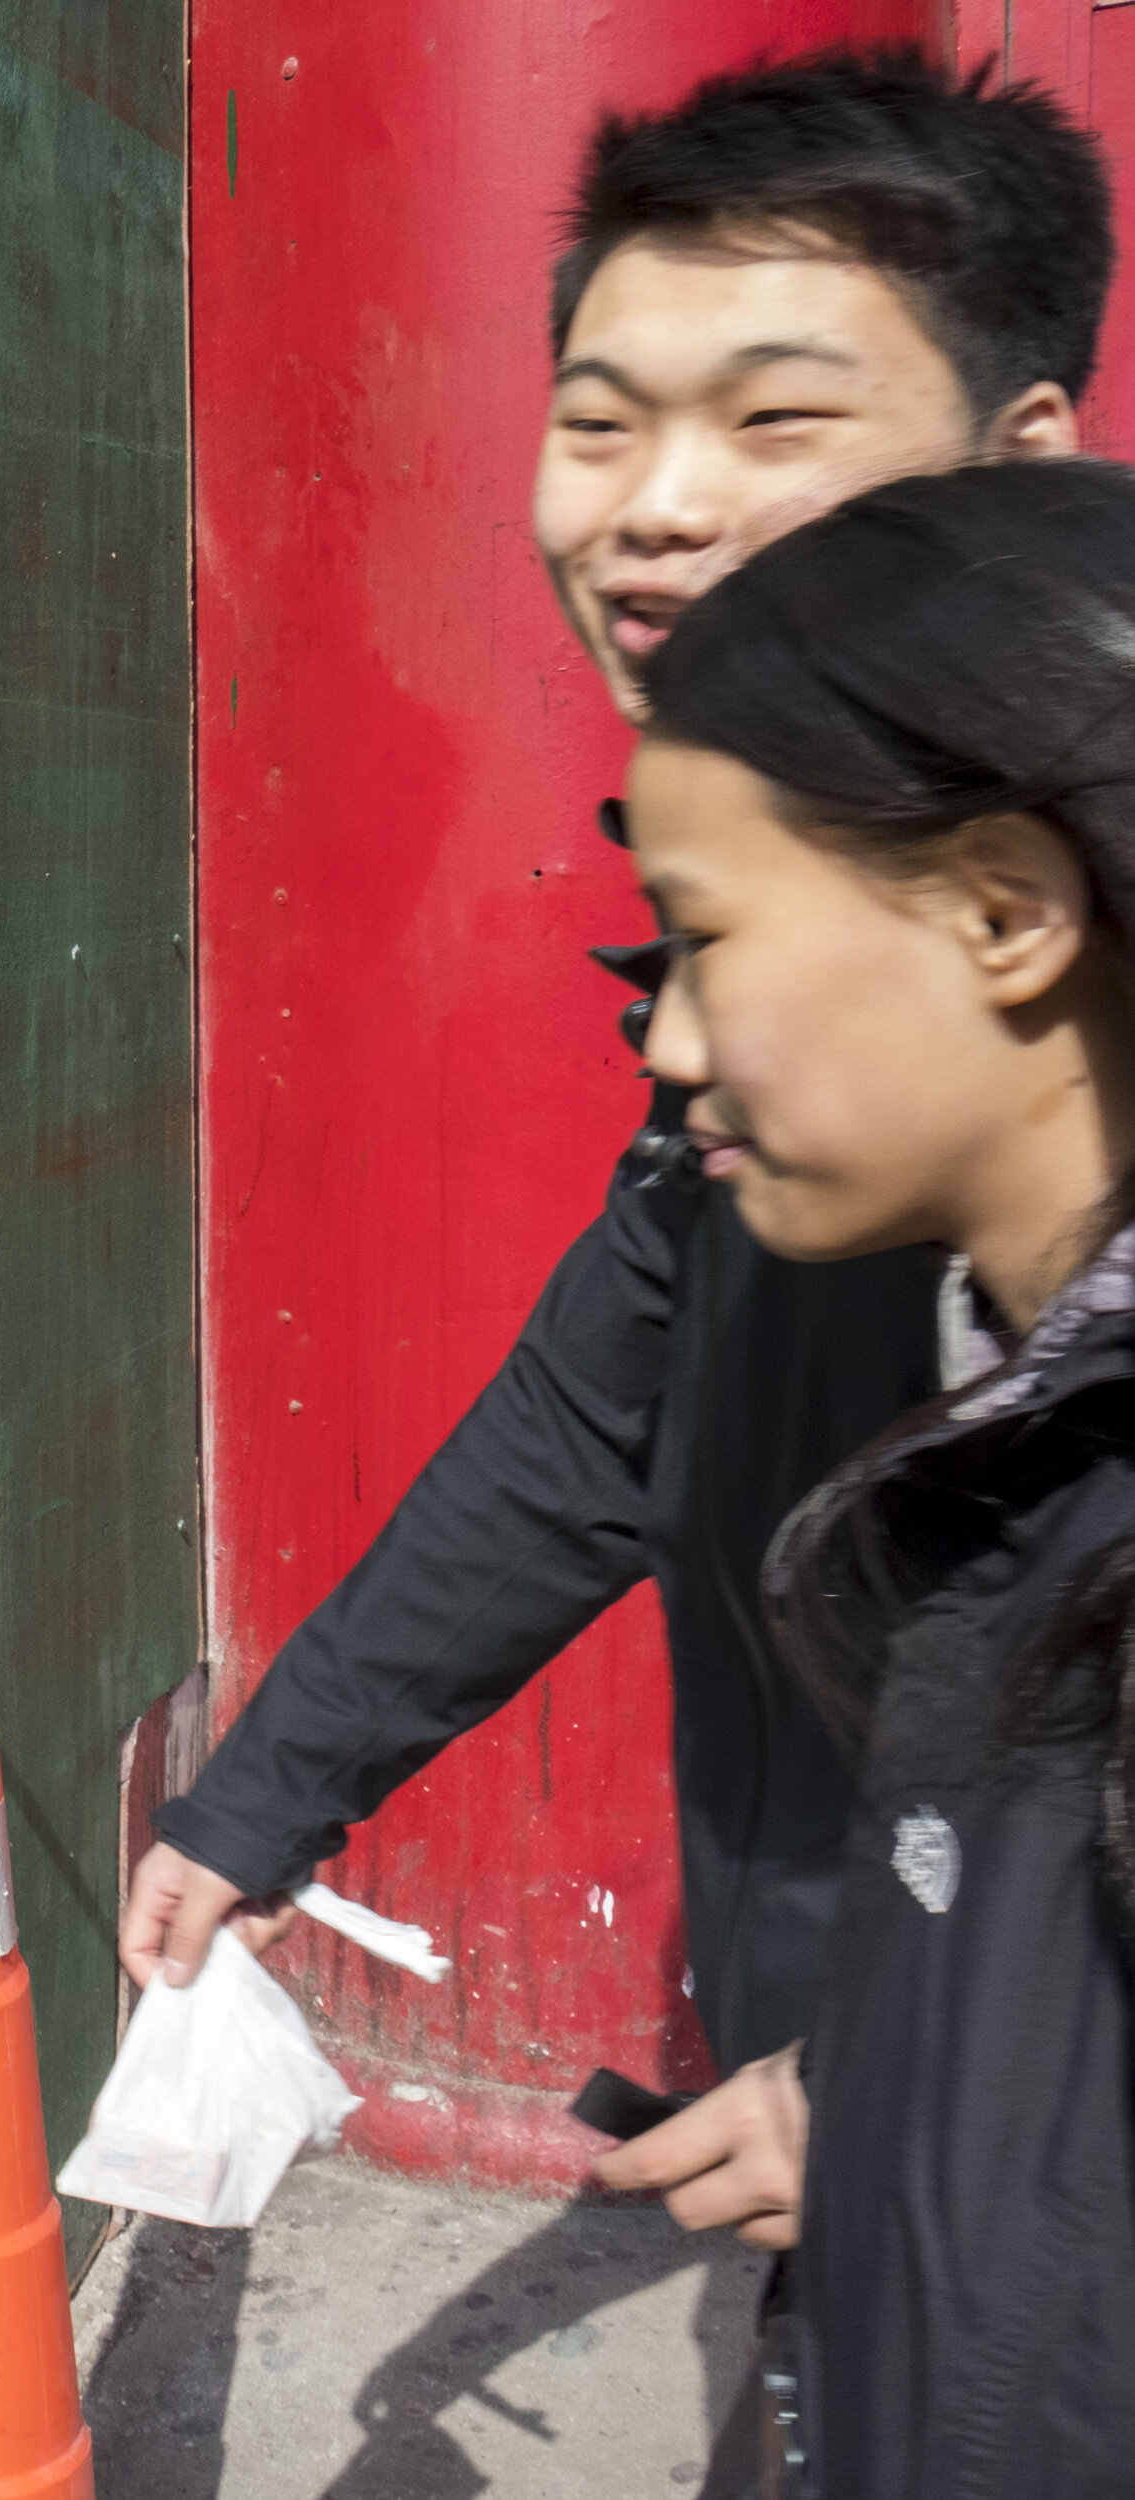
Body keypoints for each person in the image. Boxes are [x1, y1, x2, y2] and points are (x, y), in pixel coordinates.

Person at [123, 52, 1113, 2093]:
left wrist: (911, 2102)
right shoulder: (778, 989)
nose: (652, 502)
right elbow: (596, 1416)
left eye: (773, 419)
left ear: (1021, 451)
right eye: (596, 422)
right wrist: (258, 1796)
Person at [599, 455, 1135, 2495]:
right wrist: (890, 2100)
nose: (659, 1040)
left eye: (702, 936)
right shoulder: (1011, 1441)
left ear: (1002, 908)